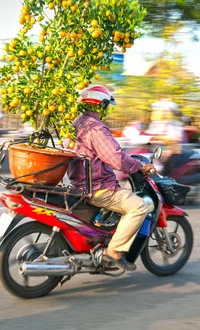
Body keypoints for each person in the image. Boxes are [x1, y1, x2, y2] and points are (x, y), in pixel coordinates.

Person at [67, 85, 155, 271]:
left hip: (79, 185)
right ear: (101, 105)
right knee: (140, 206)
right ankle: (114, 251)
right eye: (107, 106)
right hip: (98, 188)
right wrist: (140, 166)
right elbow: (116, 158)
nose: (108, 110)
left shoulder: (77, 123)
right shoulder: (96, 128)